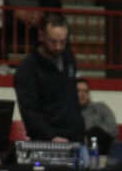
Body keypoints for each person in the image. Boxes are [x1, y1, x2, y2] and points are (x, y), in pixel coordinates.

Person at [14, 12, 83, 142]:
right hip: (46, 140)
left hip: (74, 136)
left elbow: (72, 98)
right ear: (41, 36)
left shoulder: (68, 58)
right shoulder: (28, 68)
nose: (58, 47)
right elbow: (29, 110)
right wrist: (50, 136)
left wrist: (80, 130)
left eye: (62, 42)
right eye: (53, 41)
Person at [76, 78, 117, 154]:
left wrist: (94, 128)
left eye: (86, 91)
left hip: (104, 144)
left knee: (95, 131)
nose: (82, 94)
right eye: (79, 91)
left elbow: (113, 130)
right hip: (81, 148)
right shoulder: (69, 111)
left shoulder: (101, 107)